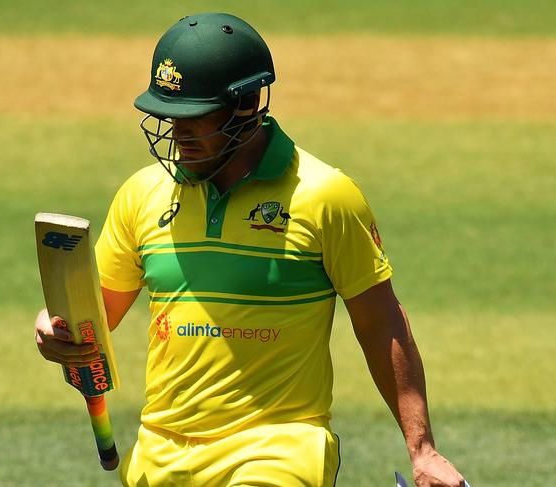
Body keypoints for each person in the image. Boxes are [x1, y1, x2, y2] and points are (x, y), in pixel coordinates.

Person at [35, 12, 466, 487]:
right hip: (161, 454)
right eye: (169, 118)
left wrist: (422, 449)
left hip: (279, 449)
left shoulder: (324, 196)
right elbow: (97, 316)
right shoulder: (142, 194)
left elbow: (380, 320)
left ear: (245, 106)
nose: (177, 135)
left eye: (194, 118)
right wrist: (60, 333)